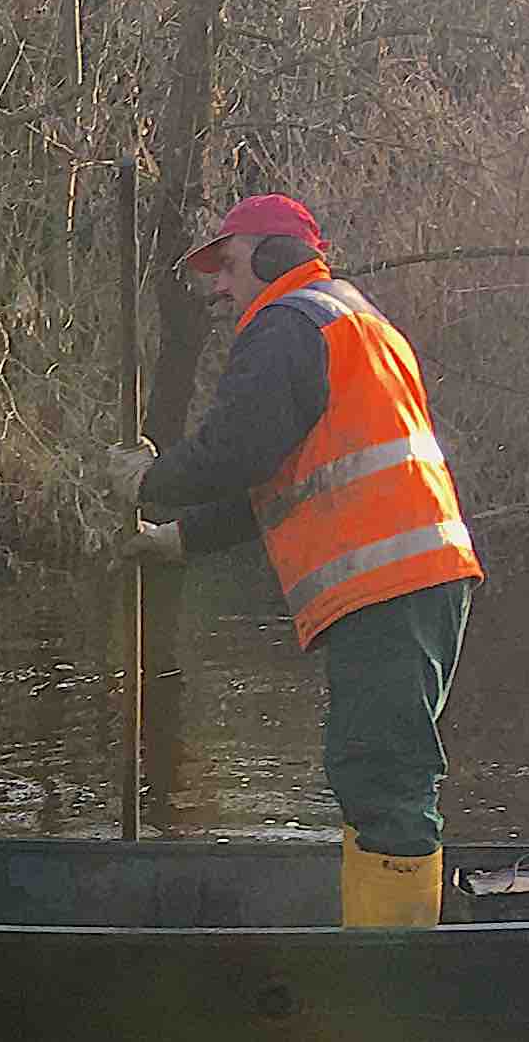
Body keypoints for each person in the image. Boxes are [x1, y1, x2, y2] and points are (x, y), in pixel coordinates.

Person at [108, 194, 480, 928]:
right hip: (413, 581)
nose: (219, 286)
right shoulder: (349, 320)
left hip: (387, 584)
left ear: (274, 256)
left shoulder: (288, 323)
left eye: (229, 264)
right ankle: (391, 926)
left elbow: (239, 449)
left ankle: (397, 966)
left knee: (381, 774)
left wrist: (151, 483)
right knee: (376, 767)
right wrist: (177, 539)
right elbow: (281, 479)